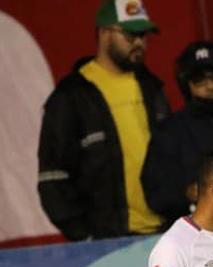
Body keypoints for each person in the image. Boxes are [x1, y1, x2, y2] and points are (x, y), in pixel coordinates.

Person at [38, 0, 168, 241]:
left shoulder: (152, 87)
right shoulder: (71, 96)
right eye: (131, 35)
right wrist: (85, 237)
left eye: (144, 36)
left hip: (163, 232)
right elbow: (52, 177)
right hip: (106, 241)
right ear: (104, 33)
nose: (139, 43)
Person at [143, 42, 213, 225]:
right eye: (199, 80)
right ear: (186, 84)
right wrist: (188, 193)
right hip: (190, 235)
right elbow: (155, 192)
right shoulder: (170, 131)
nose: (210, 86)